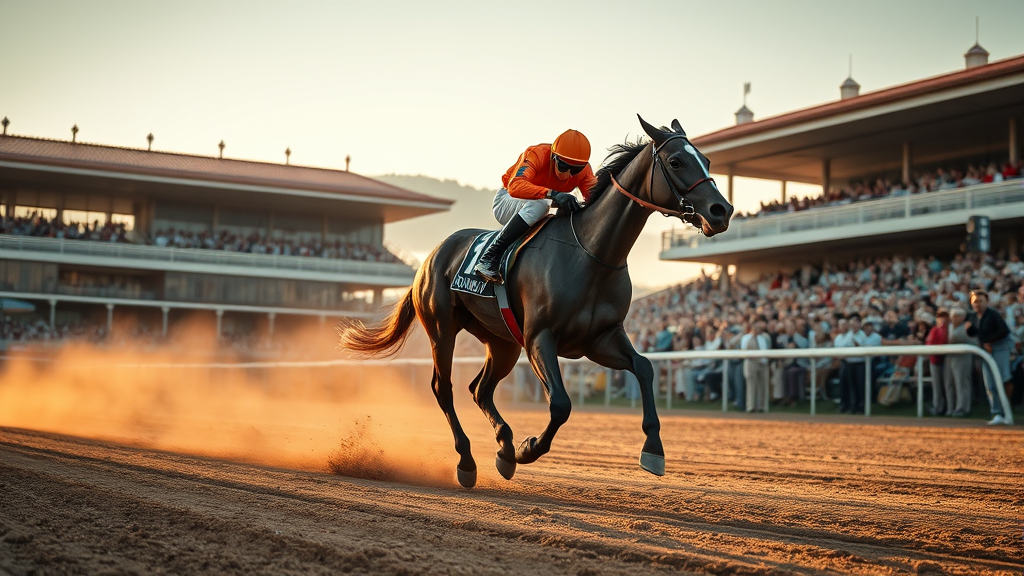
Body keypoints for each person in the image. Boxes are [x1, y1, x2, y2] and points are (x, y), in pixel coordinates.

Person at [475, 129, 597, 282]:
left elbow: (596, 200)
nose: (568, 175)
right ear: (553, 157)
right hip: (508, 199)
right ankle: (489, 256)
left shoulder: (585, 172)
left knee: (572, 208)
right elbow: (515, 186)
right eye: (564, 167)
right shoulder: (537, 153)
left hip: (541, 205)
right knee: (540, 205)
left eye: (576, 170)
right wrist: (553, 194)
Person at [965, 290, 1014, 425]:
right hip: (986, 349)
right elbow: (975, 333)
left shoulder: (993, 314)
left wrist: (990, 342)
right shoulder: (972, 317)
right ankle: (996, 413)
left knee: (1003, 377)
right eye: (975, 301)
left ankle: (1006, 410)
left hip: (1000, 346)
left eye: (981, 301)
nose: (978, 304)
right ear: (971, 303)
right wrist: (969, 329)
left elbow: (1004, 331)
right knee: (990, 383)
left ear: (987, 302)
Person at [945, 307, 975, 416]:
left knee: (961, 383)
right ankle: (950, 408)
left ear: (963, 317)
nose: (954, 318)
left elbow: (975, 342)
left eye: (957, 316)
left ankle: (963, 408)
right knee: (949, 384)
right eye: (953, 316)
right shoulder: (948, 327)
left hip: (963, 357)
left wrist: (961, 339)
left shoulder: (968, 327)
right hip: (949, 357)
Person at [741, 316, 771, 412]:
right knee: (751, 385)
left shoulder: (764, 338)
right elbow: (744, 350)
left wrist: (765, 361)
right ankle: (751, 406)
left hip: (762, 363)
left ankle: (761, 406)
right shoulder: (746, 338)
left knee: (762, 385)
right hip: (751, 363)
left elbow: (767, 350)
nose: (757, 329)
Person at [925, 310, 950, 416]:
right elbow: (929, 344)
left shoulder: (949, 329)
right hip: (935, 360)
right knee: (937, 386)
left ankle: (948, 408)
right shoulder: (935, 329)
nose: (942, 320)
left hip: (948, 360)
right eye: (939, 317)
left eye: (944, 317)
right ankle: (938, 408)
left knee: (948, 386)